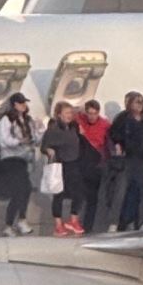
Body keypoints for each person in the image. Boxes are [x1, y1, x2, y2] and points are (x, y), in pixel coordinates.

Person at [100, 92, 143, 233]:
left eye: (141, 101)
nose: (139, 104)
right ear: (129, 103)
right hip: (126, 159)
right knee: (120, 191)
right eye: (136, 101)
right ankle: (114, 222)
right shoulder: (122, 119)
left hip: (142, 160)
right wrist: (116, 147)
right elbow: (112, 136)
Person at [0, 94, 39, 235]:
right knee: (20, 189)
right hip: (10, 159)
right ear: (14, 105)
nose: (24, 105)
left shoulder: (27, 120)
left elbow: (34, 138)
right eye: (20, 103)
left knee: (25, 189)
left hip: (23, 158)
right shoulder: (6, 120)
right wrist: (19, 141)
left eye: (24, 103)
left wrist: (38, 132)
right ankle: (11, 223)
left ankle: (20, 219)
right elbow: (5, 140)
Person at [40, 101, 86, 237]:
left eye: (71, 113)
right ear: (59, 114)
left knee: (79, 192)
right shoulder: (53, 129)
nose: (69, 115)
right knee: (59, 194)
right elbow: (44, 146)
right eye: (66, 113)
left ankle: (73, 219)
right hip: (61, 163)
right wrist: (49, 151)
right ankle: (58, 224)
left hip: (74, 162)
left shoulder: (73, 127)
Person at [74, 99, 110, 232]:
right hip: (82, 163)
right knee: (80, 194)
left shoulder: (105, 125)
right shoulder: (81, 120)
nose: (91, 117)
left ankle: (87, 226)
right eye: (89, 113)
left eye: (94, 114)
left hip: (97, 164)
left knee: (92, 198)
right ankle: (76, 222)